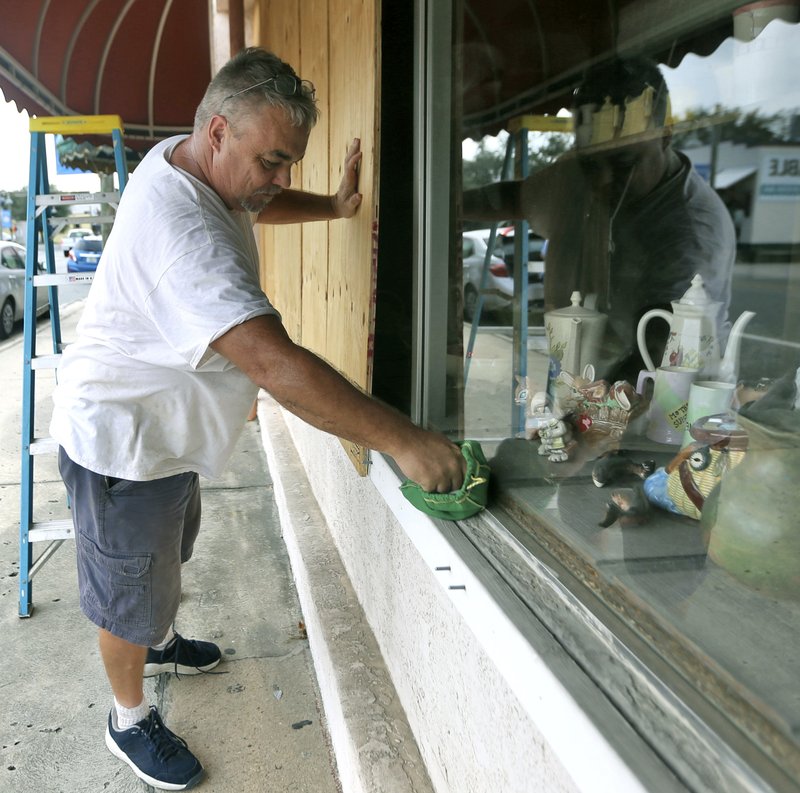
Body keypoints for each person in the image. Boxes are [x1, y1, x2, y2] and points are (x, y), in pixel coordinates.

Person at [50, 47, 465, 791]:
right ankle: (127, 714)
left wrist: (333, 207)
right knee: (127, 593)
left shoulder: (197, 160)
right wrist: (403, 440)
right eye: (273, 160)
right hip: (124, 443)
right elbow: (274, 365)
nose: (279, 179)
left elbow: (259, 200)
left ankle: (163, 635)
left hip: (168, 429)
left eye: (289, 163)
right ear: (217, 131)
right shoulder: (186, 238)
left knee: (165, 555)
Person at [464, 56, 736, 384]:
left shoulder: (692, 230)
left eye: (623, 164)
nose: (603, 182)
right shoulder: (580, 178)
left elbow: (659, 349)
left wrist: (590, 416)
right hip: (589, 383)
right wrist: (441, 204)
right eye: (591, 165)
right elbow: (512, 199)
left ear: (665, 136)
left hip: (666, 408)